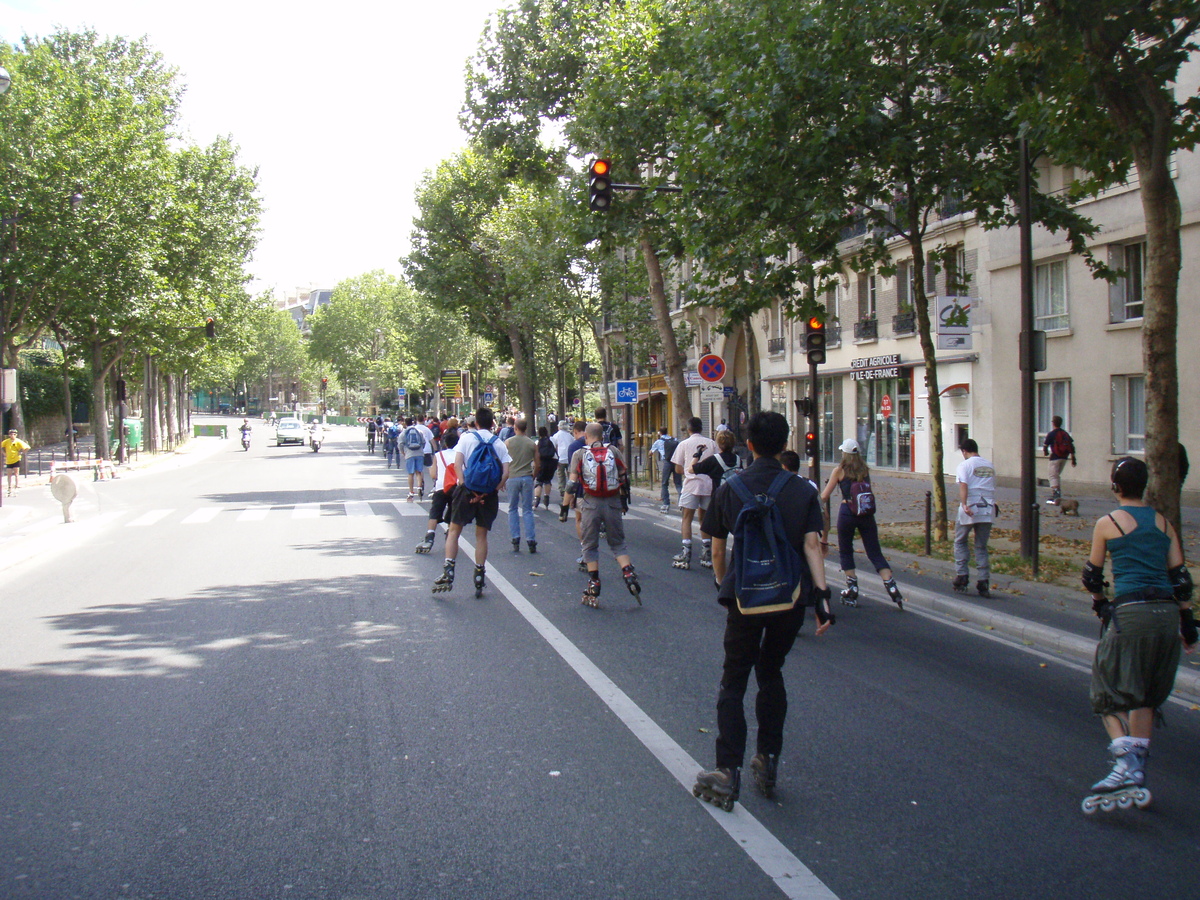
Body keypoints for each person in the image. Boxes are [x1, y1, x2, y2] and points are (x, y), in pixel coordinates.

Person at [692, 411, 833, 809]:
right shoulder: (802, 489)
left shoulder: (731, 487)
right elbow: (811, 546)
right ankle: (768, 759)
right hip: (789, 597)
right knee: (771, 673)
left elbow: (717, 547)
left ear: (748, 445)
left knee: (733, 680)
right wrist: (821, 599)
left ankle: (727, 770)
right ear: (785, 443)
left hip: (746, 597)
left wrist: (724, 585)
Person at [1080, 456, 1195, 810]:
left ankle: (1124, 763)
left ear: (1115, 486)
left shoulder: (1107, 522)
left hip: (1131, 614)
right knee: (1145, 694)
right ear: (1144, 485)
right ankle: (1137, 769)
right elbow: (1180, 580)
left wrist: (1101, 603)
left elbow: (1092, 576)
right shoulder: (1164, 523)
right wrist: (1188, 623)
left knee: (1107, 689)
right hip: (1165, 616)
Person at [432, 407, 511, 596]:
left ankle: (449, 569)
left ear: (475, 423)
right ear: (493, 423)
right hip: (488, 496)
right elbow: (506, 472)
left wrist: (465, 485)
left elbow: (457, 464)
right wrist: (489, 491)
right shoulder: (499, 443)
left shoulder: (466, 438)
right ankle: (479, 573)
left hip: (466, 491)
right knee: (481, 535)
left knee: (454, 530)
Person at [819, 438, 905, 608]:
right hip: (866, 514)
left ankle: (852, 588)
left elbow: (824, 496)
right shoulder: (864, 470)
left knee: (846, 550)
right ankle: (891, 586)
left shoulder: (839, 470)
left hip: (847, 513)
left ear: (844, 453)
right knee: (874, 552)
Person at [567, 422, 641, 606]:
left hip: (590, 503)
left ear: (586, 436)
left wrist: (564, 506)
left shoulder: (579, 454)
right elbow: (624, 477)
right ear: (603, 436)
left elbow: (572, 483)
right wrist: (624, 501)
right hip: (613, 501)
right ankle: (628, 573)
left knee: (590, 544)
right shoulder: (614, 451)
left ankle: (594, 583)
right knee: (618, 543)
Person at [670, 417, 718, 569]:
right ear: (701, 428)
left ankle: (686, 552)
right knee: (705, 518)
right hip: (709, 485)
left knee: (687, 518)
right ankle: (707, 552)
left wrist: (686, 470)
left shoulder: (683, 444)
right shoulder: (712, 443)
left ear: (688, 429)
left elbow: (678, 468)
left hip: (691, 485)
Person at [953, 438, 997, 598]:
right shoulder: (989, 465)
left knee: (960, 541)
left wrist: (964, 504)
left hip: (970, 507)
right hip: (987, 507)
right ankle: (984, 580)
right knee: (981, 546)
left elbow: (963, 485)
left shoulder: (964, 465)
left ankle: (962, 576)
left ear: (964, 451)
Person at [416, 430, 460, 555]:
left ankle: (429, 537)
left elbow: (434, 474)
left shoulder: (439, 455)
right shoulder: (460, 455)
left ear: (445, 443)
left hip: (441, 487)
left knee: (435, 512)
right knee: (453, 512)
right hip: (456, 488)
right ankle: (449, 534)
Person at [505, 419, 539, 553]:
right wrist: (533, 475)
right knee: (527, 510)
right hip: (527, 477)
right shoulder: (531, 444)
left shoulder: (508, 443)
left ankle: (515, 538)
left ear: (515, 428)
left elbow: (503, 461)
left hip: (512, 477)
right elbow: (537, 463)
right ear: (526, 428)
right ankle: (531, 539)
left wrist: (503, 478)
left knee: (512, 508)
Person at [691, 429, 741, 493]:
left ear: (718, 444)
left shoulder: (714, 460)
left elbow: (691, 469)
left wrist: (698, 454)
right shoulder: (738, 459)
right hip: (735, 497)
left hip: (719, 497)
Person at [1043, 415, 1076, 505]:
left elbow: (1045, 446)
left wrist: (1045, 452)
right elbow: (1071, 446)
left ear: (1053, 423)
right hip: (1064, 458)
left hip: (1055, 457)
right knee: (1056, 475)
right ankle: (1057, 494)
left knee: (1053, 476)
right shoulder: (1065, 434)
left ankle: (1056, 496)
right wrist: (1073, 459)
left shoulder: (1052, 434)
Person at [651, 427, 681, 513]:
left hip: (667, 462)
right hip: (676, 462)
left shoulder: (659, 442)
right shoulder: (674, 439)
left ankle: (666, 504)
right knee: (678, 483)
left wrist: (651, 454)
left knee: (664, 483)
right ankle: (682, 503)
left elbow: (651, 451)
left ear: (660, 432)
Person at [533, 425, 558, 510]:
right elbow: (556, 450)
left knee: (539, 481)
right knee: (548, 480)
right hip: (552, 462)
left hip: (542, 462)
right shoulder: (553, 440)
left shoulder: (537, 442)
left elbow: (536, 455)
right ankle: (546, 498)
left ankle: (537, 500)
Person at [550, 419, 575, 503]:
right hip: (569, 459)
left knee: (561, 477)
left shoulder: (556, 436)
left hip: (560, 458)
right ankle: (570, 492)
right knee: (570, 477)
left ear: (559, 427)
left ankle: (563, 493)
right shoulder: (570, 436)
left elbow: (554, 447)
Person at [3, 428, 31, 496]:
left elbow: (27, 447)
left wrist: (21, 452)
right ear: (9, 435)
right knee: (9, 474)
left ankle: (16, 487)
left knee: (16, 474)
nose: (12, 435)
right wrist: (4, 454)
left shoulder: (18, 441)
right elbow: (1, 446)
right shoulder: (6, 441)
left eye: (14, 434)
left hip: (16, 459)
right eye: (11, 434)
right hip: (9, 460)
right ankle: (9, 488)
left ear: (16, 435)